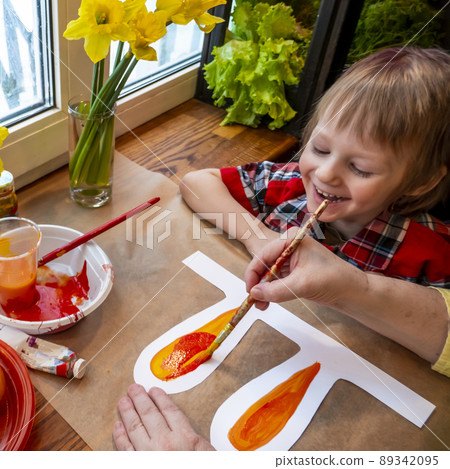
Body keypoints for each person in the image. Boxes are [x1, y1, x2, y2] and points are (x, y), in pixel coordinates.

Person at [114, 46, 450, 450]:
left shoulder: (431, 249)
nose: (325, 174)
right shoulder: (287, 185)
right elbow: (196, 182)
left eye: (360, 168)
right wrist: (260, 237)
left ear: (418, 183)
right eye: (320, 149)